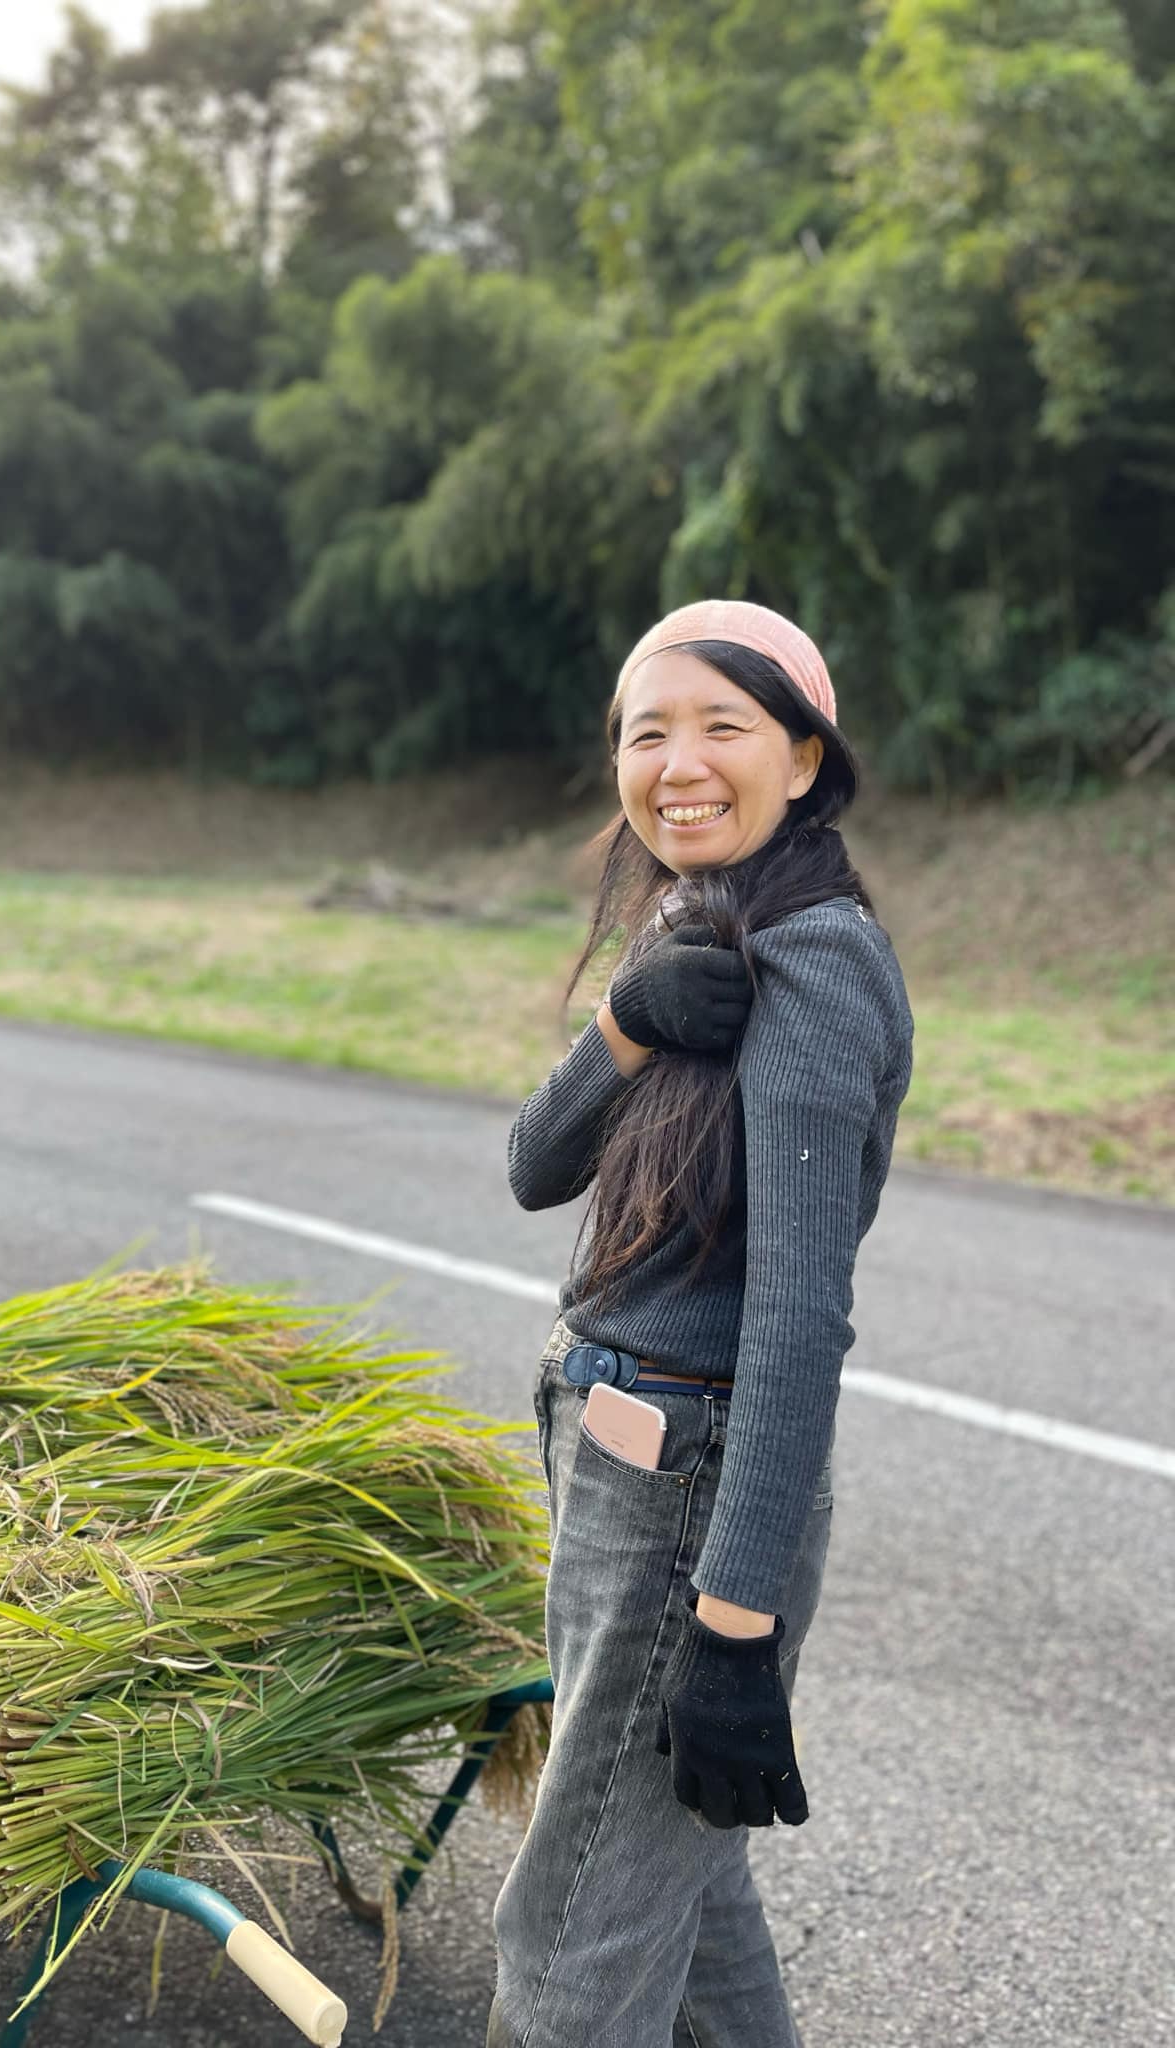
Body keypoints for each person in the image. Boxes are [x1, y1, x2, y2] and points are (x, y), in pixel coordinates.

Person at [484, 599, 914, 2048]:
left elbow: (800, 1323)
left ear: (803, 758)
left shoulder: (815, 963)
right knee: (683, 1891)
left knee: (569, 1944)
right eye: (645, 730)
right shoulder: (691, 929)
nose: (677, 760)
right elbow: (536, 1167)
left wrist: (732, 1635)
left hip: (691, 1493)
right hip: (622, 1459)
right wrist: (628, 1020)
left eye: (721, 725)